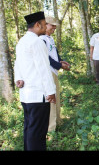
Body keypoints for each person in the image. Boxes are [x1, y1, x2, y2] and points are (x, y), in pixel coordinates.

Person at [14, 11, 56, 151]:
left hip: (26, 96)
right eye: (44, 25)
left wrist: (18, 78)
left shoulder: (22, 41)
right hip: (39, 96)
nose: (45, 27)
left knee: (29, 130)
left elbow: (17, 64)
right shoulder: (37, 42)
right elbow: (44, 68)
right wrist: (51, 91)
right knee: (37, 134)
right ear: (37, 25)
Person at [40, 16, 70, 132]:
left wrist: (61, 61)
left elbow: (54, 53)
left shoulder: (49, 39)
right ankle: (51, 128)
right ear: (45, 25)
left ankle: (58, 120)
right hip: (48, 72)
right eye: (52, 25)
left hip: (54, 72)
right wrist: (59, 65)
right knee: (51, 99)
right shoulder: (41, 39)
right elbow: (46, 58)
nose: (54, 28)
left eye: (54, 26)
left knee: (56, 96)